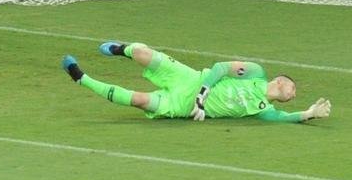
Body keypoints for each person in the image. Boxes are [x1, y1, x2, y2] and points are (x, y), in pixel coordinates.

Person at [61, 41, 332, 123]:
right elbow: (221, 67)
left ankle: (82, 79)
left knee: (140, 100)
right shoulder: (255, 73)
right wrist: (202, 92)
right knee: (144, 54)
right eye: (293, 88)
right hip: (190, 78)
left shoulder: (264, 110)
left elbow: (284, 118)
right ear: (280, 80)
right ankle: (121, 49)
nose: (294, 94)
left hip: (183, 105)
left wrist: (308, 113)